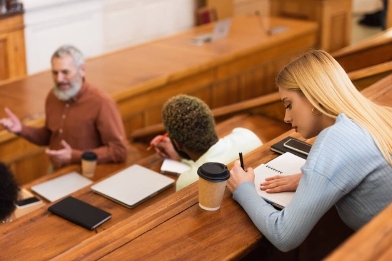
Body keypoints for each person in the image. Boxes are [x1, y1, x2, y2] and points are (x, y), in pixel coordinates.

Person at [227, 50, 392, 252]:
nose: (286, 118)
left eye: (289, 105)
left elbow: (284, 235)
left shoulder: (335, 139)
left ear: (312, 97)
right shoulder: (377, 116)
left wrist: (243, 189)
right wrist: (313, 178)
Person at [0, 45, 128, 169]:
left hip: (87, 173)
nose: (59, 79)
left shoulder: (101, 103)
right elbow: (49, 136)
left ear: (82, 70)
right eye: (55, 73)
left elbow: (119, 150)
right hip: (57, 171)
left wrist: (75, 156)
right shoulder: (53, 96)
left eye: (65, 72)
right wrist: (21, 129)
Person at [149, 94, 262, 191]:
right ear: (210, 122)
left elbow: (206, 161)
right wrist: (180, 157)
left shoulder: (187, 182)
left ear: (177, 144)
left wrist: (180, 154)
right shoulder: (246, 135)